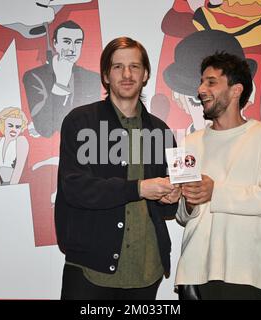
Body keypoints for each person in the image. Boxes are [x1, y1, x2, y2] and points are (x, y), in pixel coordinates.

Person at [55, 37, 181, 300]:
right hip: (90, 267)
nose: (127, 74)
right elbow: (75, 188)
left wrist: (171, 196)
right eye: (117, 67)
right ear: (105, 74)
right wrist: (138, 188)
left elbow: (167, 208)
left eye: (135, 67)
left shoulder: (161, 130)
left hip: (147, 270)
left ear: (145, 74)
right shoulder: (80, 121)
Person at [175, 52, 261, 300]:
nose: (200, 89)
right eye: (201, 82)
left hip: (247, 272)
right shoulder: (188, 143)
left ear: (236, 90)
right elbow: (183, 215)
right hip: (194, 272)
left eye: (210, 82)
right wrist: (188, 201)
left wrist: (214, 192)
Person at [23, 20, 101, 137]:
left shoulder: (93, 79)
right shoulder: (34, 77)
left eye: (78, 42)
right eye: (67, 42)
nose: (73, 48)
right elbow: (45, 129)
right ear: (55, 43)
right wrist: (58, 87)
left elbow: (87, 126)